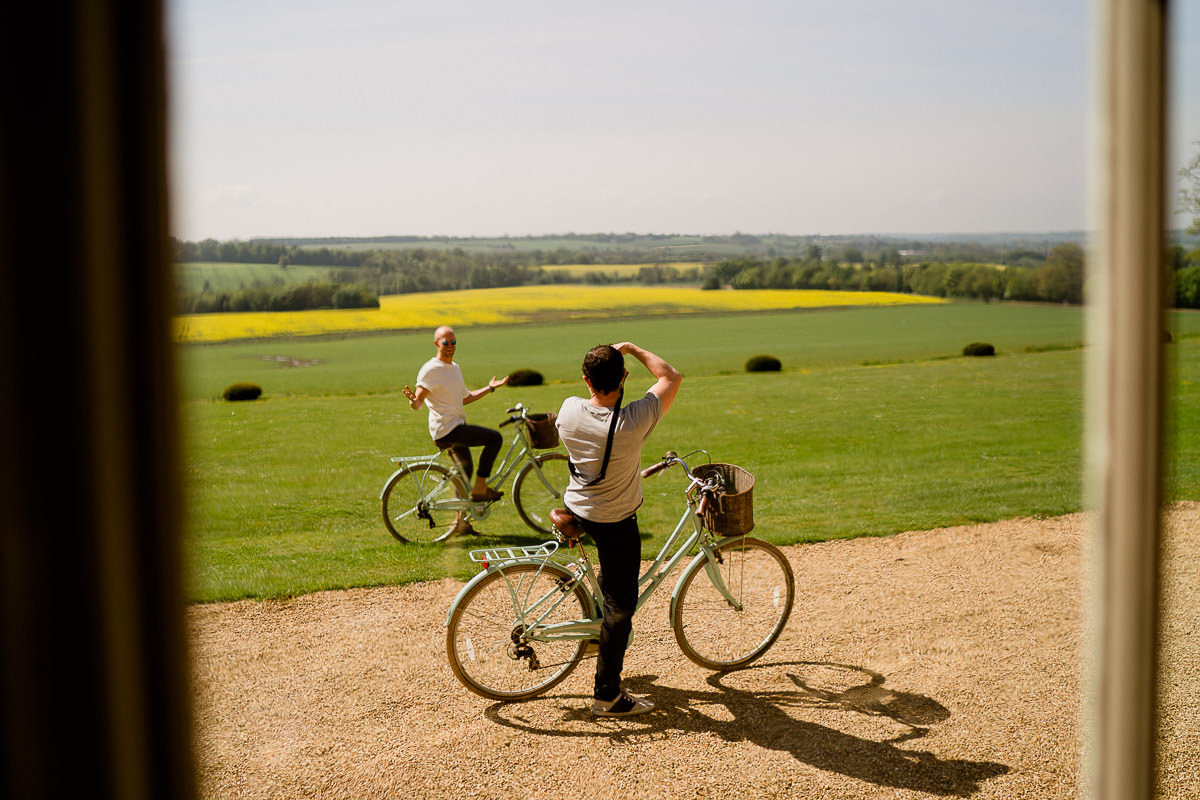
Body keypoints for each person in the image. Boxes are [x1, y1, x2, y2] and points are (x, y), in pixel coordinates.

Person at [556, 341, 682, 717]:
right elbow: (670, 376)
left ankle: (598, 632)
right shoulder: (634, 420)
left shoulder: (568, 408)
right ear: (624, 377)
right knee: (621, 606)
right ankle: (607, 694)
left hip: (577, 506)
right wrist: (632, 348)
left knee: (609, 583)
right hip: (614, 520)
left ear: (585, 380)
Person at [403, 326, 508, 529]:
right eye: (446, 342)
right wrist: (412, 401)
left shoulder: (455, 369)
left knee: (465, 470)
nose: (450, 346)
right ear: (436, 344)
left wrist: (490, 388)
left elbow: (465, 398)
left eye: (453, 342)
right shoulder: (430, 369)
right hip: (447, 429)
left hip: (456, 427)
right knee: (495, 438)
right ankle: (480, 488)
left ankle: (458, 524)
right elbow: (418, 403)